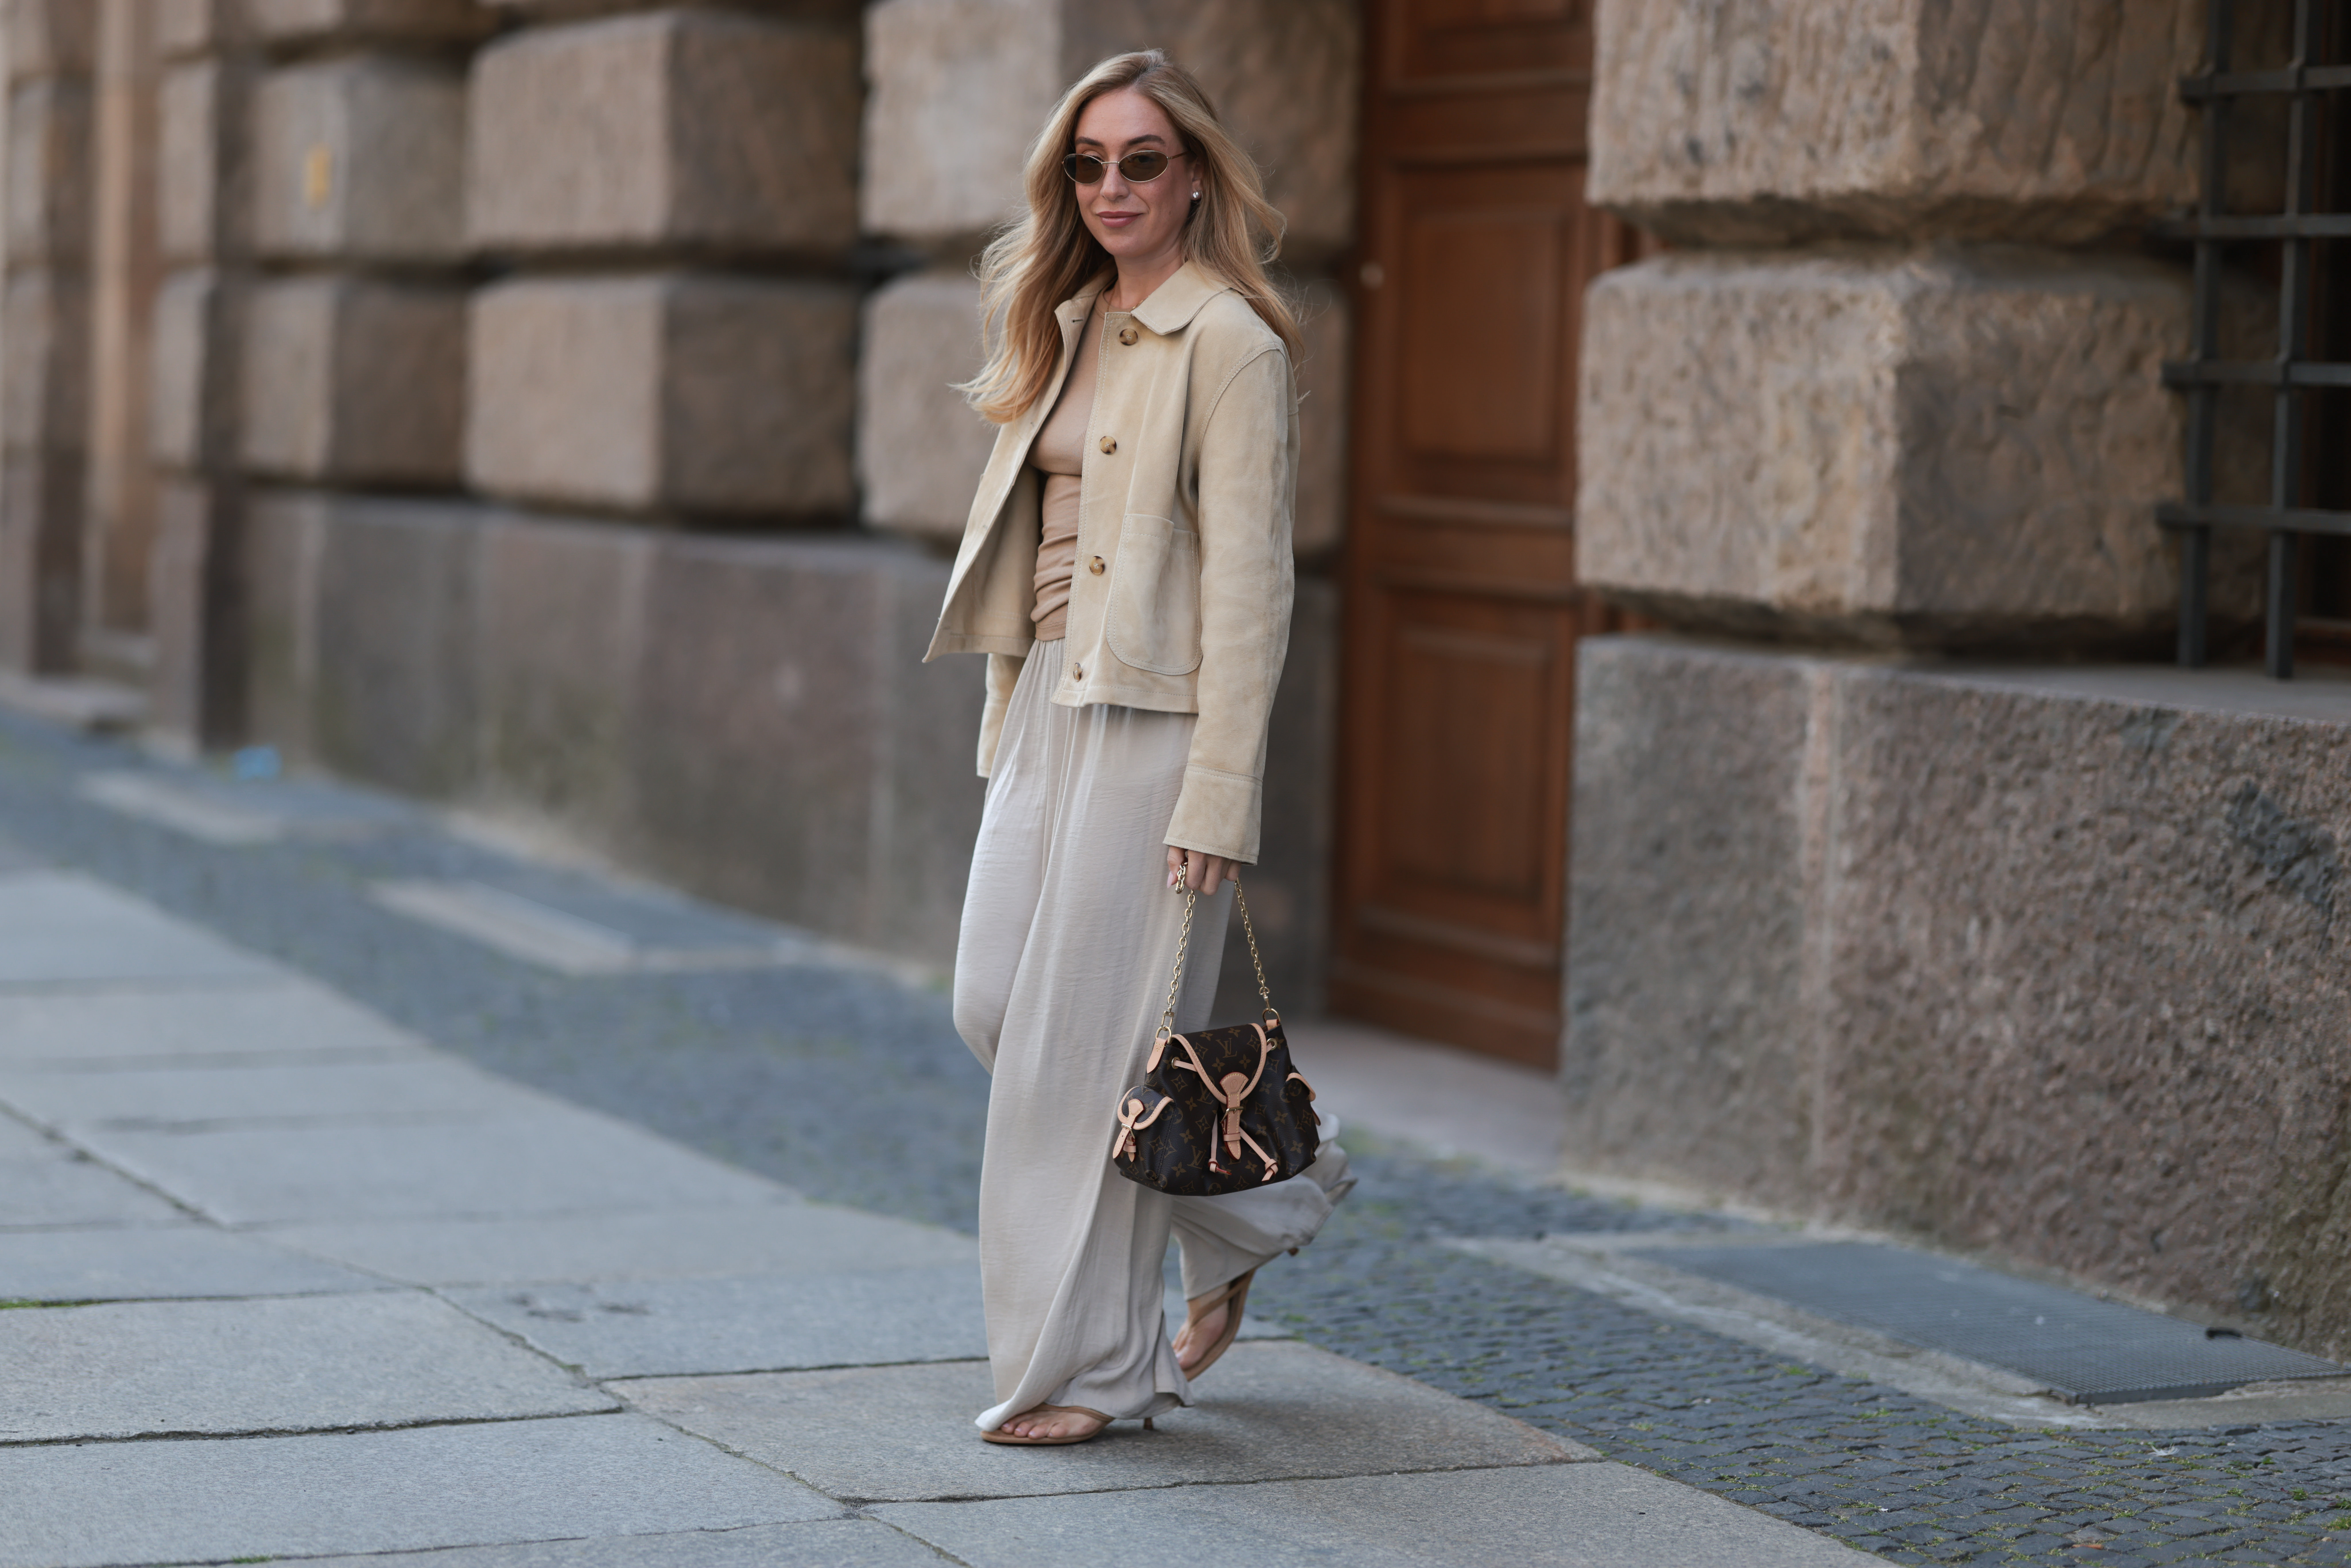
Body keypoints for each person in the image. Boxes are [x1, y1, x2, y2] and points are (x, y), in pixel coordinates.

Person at [925, 50, 1354, 1447]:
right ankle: (1258, 1199)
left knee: (1085, 1054)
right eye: (1089, 164)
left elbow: (1252, 589)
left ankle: (1095, 1371)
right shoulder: (1059, 318)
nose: (1113, 186)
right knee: (994, 1002)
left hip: (1159, 726)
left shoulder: (1228, 338)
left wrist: (1217, 795)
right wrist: (1012, 711)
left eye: (1142, 161)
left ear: (1192, 176)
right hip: (1047, 699)